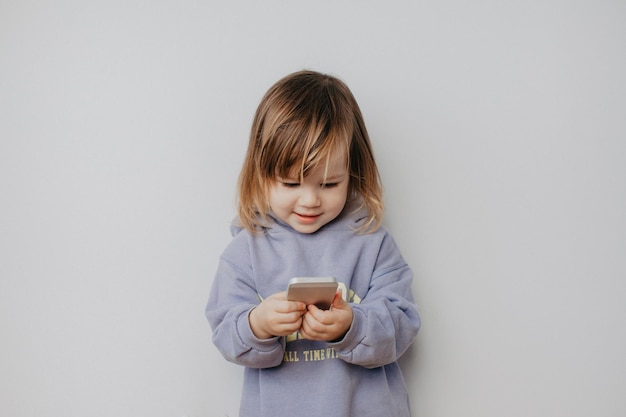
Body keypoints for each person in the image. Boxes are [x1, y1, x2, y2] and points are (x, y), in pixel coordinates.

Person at [205, 70, 420, 417]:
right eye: (291, 184)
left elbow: (403, 323)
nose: (310, 201)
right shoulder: (246, 251)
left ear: (353, 173)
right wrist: (258, 324)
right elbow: (226, 334)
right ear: (261, 175)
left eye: (329, 183)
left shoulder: (371, 241)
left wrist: (352, 326)